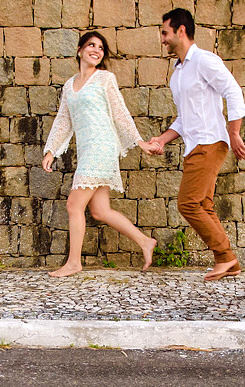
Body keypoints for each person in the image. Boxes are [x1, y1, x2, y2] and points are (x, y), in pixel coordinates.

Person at [42, 31, 160, 278]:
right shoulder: (69, 85)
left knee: (74, 204)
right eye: (91, 45)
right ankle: (145, 241)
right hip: (87, 149)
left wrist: (139, 142)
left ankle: (74, 263)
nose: (96, 50)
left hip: (102, 147)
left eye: (101, 48)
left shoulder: (105, 78)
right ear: (80, 50)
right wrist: (51, 149)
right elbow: (64, 119)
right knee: (100, 211)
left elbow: (120, 112)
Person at [145, 8, 245, 281]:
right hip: (196, 144)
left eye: (165, 32)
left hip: (210, 141)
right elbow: (184, 118)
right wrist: (162, 139)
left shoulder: (204, 60)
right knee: (203, 204)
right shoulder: (178, 74)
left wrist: (234, 131)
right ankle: (229, 263)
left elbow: (233, 91)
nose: (162, 39)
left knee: (188, 203)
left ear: (181, 31)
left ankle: (226, 257)